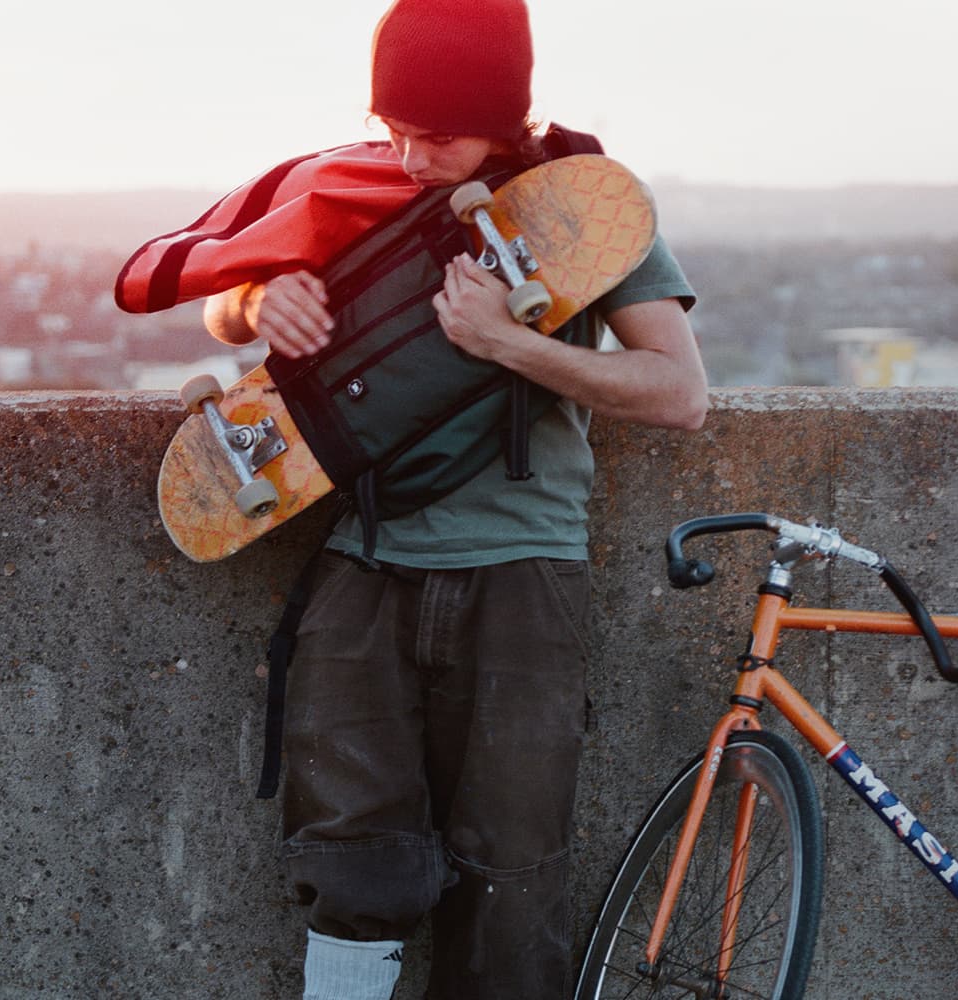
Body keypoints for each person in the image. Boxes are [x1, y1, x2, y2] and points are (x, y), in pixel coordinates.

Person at [196, 1, 707, 995]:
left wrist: (506, 343)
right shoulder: (359, 184)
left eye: (438, 135)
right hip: (361, 563)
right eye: (394, 127)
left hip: (520, 571)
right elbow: (221, 296)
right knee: (348, 859)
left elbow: (679, 393)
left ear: (508, 122)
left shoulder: (582, 209)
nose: (410, 156)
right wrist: (259, 299)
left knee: (511, 882)